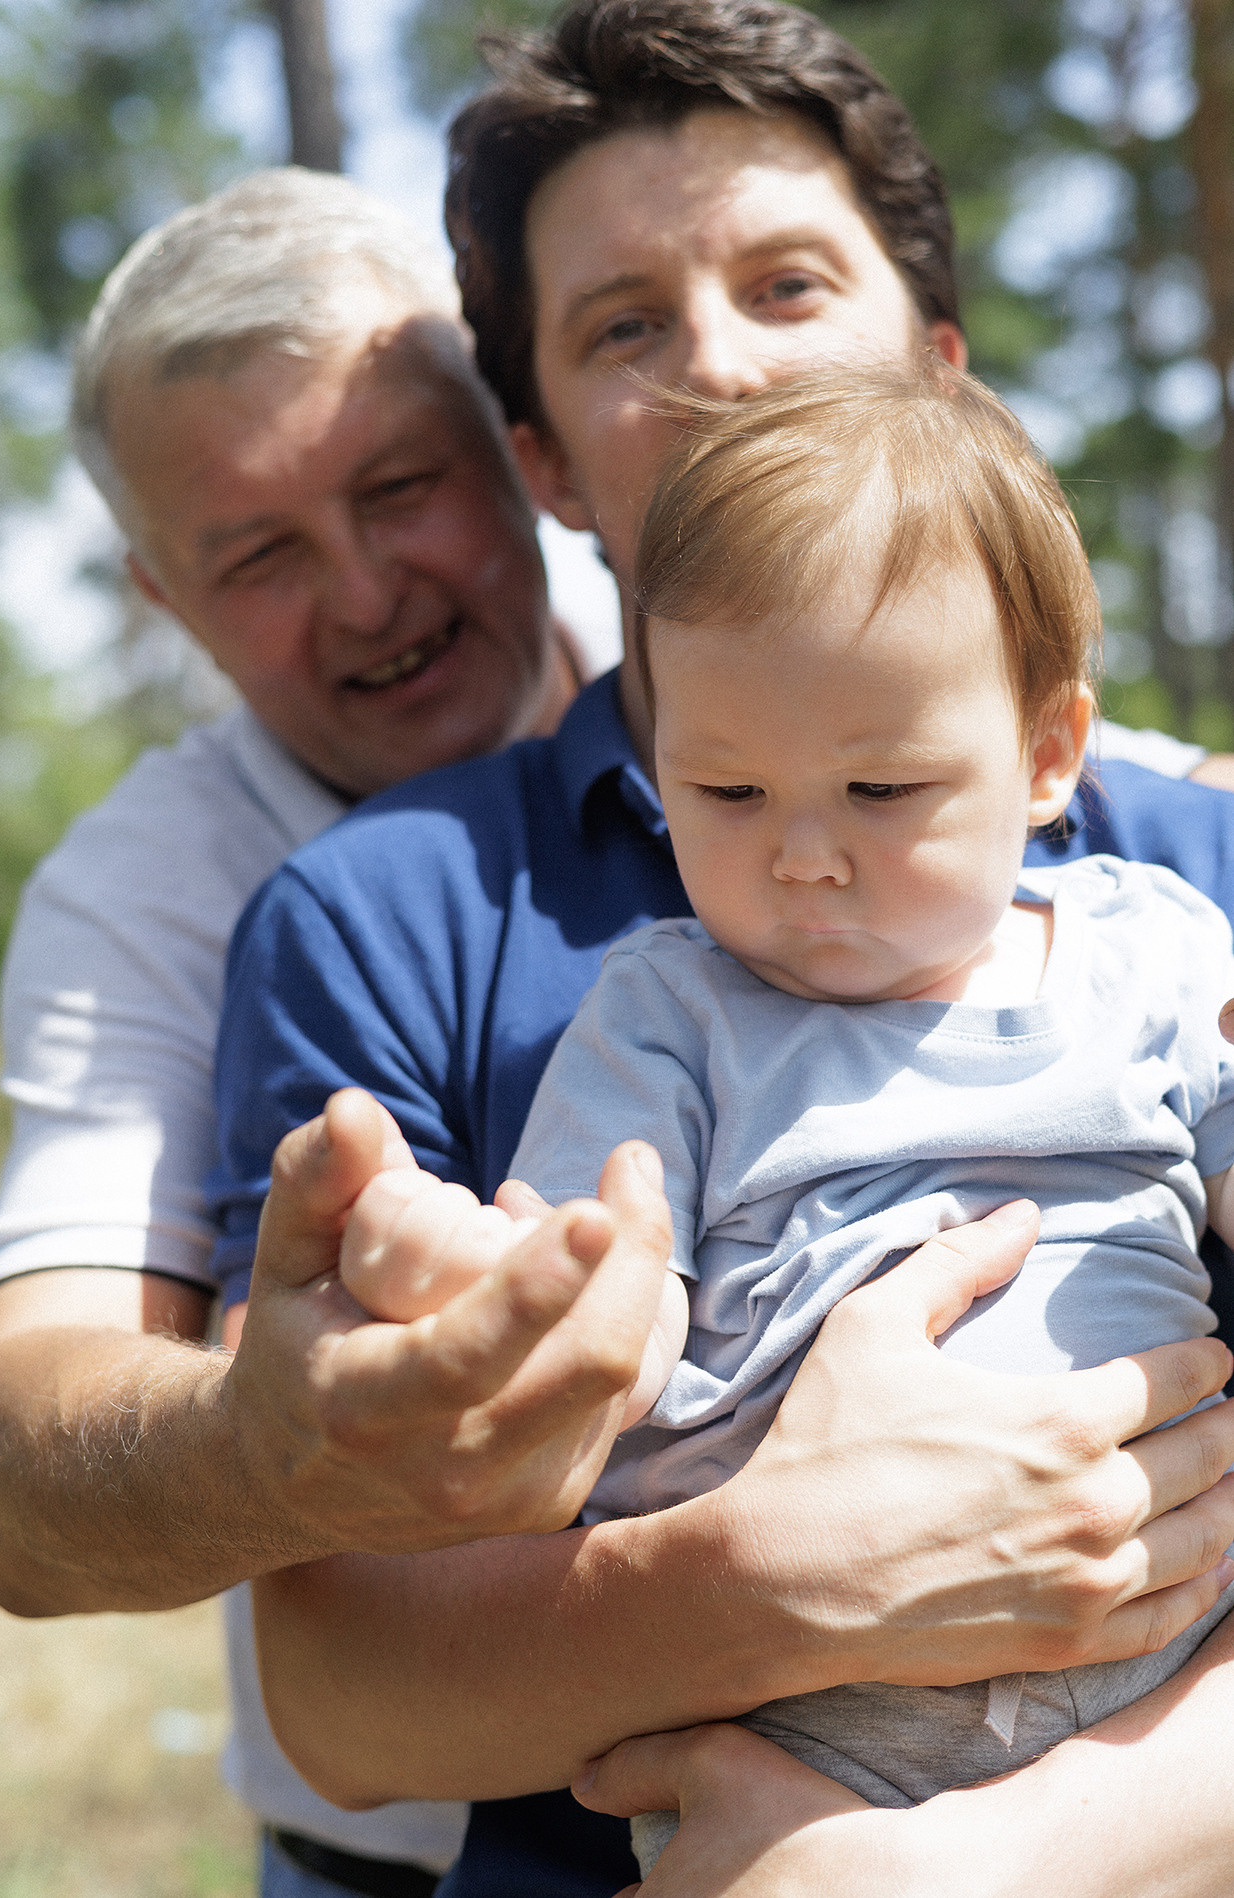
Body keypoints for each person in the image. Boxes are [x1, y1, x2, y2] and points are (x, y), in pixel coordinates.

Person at [222, 6, 1234, 1894]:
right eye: (622, 324)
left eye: (786, 279)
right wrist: (478, 1288)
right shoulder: (517, 953)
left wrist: (1022, 1855)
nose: (808, 861)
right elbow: (365, 1654)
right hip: (760, 1785)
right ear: (534, 453)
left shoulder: (1173, 911)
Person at [0, 163, 621, 1898]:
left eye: (401, 487)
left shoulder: (726, 674)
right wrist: (275, 1443)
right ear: (162, 600)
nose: (363, 594)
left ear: (515, 448)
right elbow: (21, 1469)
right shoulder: (141, 896)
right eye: (258, 554)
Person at [501, 365, 1234, 1874]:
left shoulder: (1150, 948)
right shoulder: (668, 1011)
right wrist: (540, 1309)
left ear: (1045, 756)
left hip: (1159, 1678)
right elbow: (597, 1282)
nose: (805, 857)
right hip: (799, 1726)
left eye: (882, 787)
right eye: (727, 789)